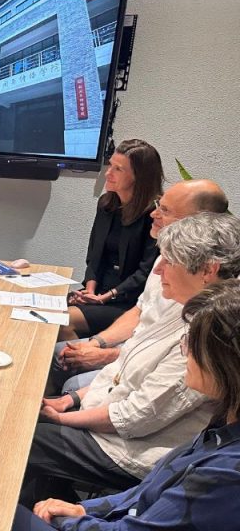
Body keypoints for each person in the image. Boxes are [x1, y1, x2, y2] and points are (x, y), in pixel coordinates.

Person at [21, 212, 240, 507]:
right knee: (30, 416)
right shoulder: (181, 305)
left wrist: (61, 418)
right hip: (115, 424)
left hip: (131, 451)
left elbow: (135, 418)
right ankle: (51, 497)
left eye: (169, 261)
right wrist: (70, 400)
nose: (158, 270)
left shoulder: (206, 334)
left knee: (24, 436)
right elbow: (124, 370)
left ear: (208, 270)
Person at [49, 179, 229, 394]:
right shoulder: (164, 256)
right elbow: (141, 310)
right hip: (133, 347)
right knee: (57, 354)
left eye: (165, 210)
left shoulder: (200, 288)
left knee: (70, 381)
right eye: (158, 206)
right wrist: (97, 342)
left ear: (198, 222)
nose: (153, 214)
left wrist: (106, 356)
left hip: (142, 362)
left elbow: (160, 359)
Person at [66, 139, 163, 340]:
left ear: (139, 176)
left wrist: (107, 296)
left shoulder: (155, 215)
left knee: (62, 320)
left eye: (118, 169)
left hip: (129, 302)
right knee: (41, 311)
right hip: (99, 293)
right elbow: (94, 255)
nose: (108, 173)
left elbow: (146, 272)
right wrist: (90, 290)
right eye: (110, 165)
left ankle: (84, 354)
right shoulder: (106, 204)